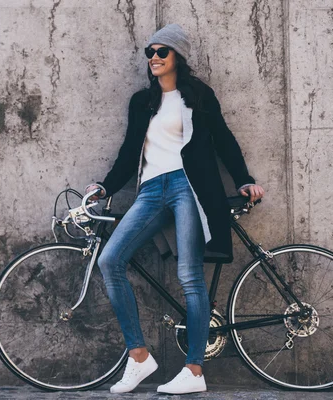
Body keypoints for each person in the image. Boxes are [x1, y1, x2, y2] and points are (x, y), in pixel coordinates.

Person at [85, 24, 265, 395]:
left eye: (161, 52)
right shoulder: (141, 102)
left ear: (177, 57)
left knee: (189, 275)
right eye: (149, 52)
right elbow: (128, 151)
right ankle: (138, 357)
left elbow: (224, 139)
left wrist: (244, 178)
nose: (153, 57)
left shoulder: (197, 95)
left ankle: (194, 370)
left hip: (188, 188)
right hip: (151, 191)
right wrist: (105, 186)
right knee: (111, 261)